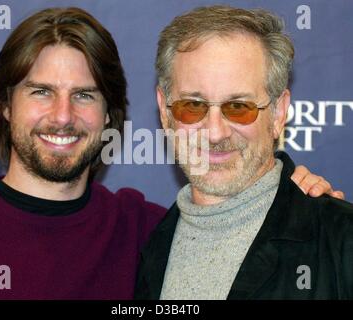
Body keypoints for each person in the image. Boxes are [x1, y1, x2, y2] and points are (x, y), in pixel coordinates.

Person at [0, 7, 343, 300]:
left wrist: (295, 203)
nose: (62, 116)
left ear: (108, 113)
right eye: (41, 91)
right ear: (6, 105)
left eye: (83, 95)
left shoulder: (144, 229)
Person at [135, 5, 353, 300]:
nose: (215, 133)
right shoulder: (146, 245)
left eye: (238, 107)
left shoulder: (341, 242)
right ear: (165, 111)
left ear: (278, 113)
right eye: (193, 106)